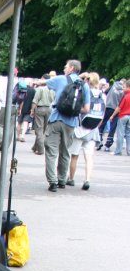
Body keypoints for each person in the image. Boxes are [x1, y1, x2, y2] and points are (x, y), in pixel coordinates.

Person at [43, 59, 90, 192]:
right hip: (71, 123)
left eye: (65, 67)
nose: (64, 69)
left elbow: (43, 82)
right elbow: (86, 109)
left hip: (56, 119)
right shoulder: (84, 85)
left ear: (71, 68)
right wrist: (74, 110)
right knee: (65, 152)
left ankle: (52, 181)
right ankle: (62, 180)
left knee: (51, 150)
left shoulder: (60, 79)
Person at [66, 72, 106, 190]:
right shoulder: (102, 95)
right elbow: (102, 114)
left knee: (74, 155)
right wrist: (96, 126)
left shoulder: (84, 92)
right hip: (93, 129)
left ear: (87, 80)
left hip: (80, 128)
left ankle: (71, 178)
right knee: (89, 157)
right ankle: (87, 179)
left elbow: (79, 108)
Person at [30, 74, 54, 155]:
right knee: (44, 129)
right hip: (50, 109)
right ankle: (35, 146)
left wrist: (32, 110)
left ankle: (40, 149)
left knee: (39, 129)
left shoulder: (39, 89)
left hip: (40, 109)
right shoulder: (52, 89)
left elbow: (35, 100)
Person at [99, 78, 125, 151]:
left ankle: (99, 139)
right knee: (113, 127)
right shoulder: (123, 90)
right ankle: (108, 143)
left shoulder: (113, 85)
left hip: (108, 106)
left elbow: (105, 92)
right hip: (116, 109)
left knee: (103, 123)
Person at [0, 68, 18, 151]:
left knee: (0, 125)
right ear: (16, 74)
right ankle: (7, 145)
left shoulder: (5, 81)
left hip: (5, 106)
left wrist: (3, 101)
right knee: (11, 127)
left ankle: (2, 141)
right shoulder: (19, 82)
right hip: (14, 107)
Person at [110, 79, 130, 156]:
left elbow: (119, 108)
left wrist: (112, 116)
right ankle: (129, 152)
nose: (123, 89)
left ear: (128, 87)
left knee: (120, 134)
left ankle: (118, 151)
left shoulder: (125, 96)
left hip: (123, 116)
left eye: (124, 87)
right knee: (128, 134)